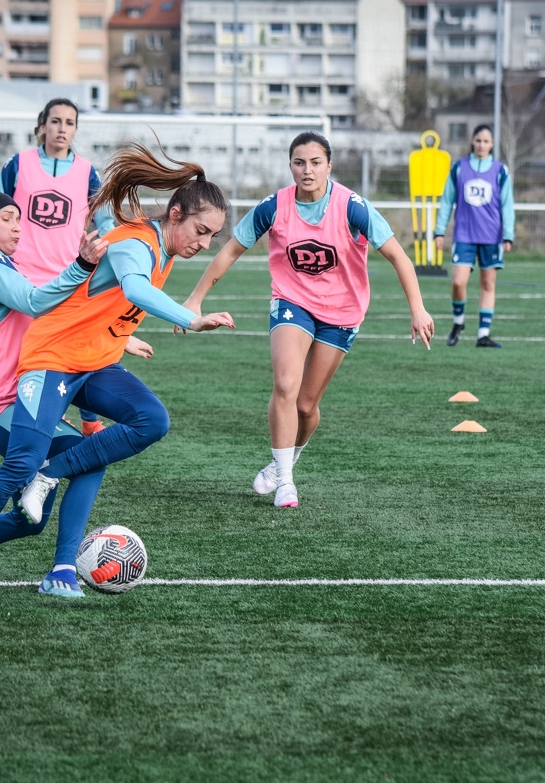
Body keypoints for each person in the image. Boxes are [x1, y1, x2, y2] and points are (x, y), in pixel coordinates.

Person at [0, 141, 235, 599]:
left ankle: (61, 569)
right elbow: (123, 290)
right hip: (41, 368)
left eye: (212, 235)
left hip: (88, 362)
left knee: (140, 428)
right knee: (23, 465)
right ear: (175, 215)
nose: (205, 243)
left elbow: (89, 306)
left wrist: (119, 336)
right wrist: (190, 318)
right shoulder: (134, 243)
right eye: (202, 231)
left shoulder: (163, 248)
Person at [180, 131, 435, 509]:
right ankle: (286, 481)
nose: (307, 170)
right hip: (292, 302)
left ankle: (286, 459)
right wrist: (195, 298)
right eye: (299, 163)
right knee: (285, 384)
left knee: (305, 406)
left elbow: (398, 256)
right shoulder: (274, 206)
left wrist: (418, 307)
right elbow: (231, 251)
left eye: (316, 162)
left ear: (329, 166)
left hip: (342, 312)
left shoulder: (352, 207)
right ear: (291, 166)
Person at [0, 184, 137, 594]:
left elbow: (49, 316)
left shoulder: (3, 264)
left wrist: (113, 335)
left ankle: (47, 568)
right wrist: (81, 265)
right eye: (7, 219)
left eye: (18, 218)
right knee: (24, 466)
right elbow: (35, 302)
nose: (19, 227)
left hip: (24, 394)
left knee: (39, 510)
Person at [0, 97, 118, 445]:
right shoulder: (19, 164)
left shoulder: (87, 172)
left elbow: (105, 221)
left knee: (77, 346)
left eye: (69, 123)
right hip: (20, 274)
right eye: (56, 121)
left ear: (76, 129)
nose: (62, 128)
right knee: (15, 352)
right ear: (43, 125)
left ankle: (89, 420)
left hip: (70, 276)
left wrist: (114, 250)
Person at [434, 123, 515, 349]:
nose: (481, 145)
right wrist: (439, 231)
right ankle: (458, 322)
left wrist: (508, 234)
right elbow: (447, 201)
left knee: (487, 283)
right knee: (458, 282)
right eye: (478, 140)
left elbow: (507, 205)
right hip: (464, 235)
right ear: (472, 141)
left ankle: (483, 335)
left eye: (486, 141)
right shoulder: (459, 168)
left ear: (492, 144)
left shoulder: (500, 171)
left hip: (491, 236)